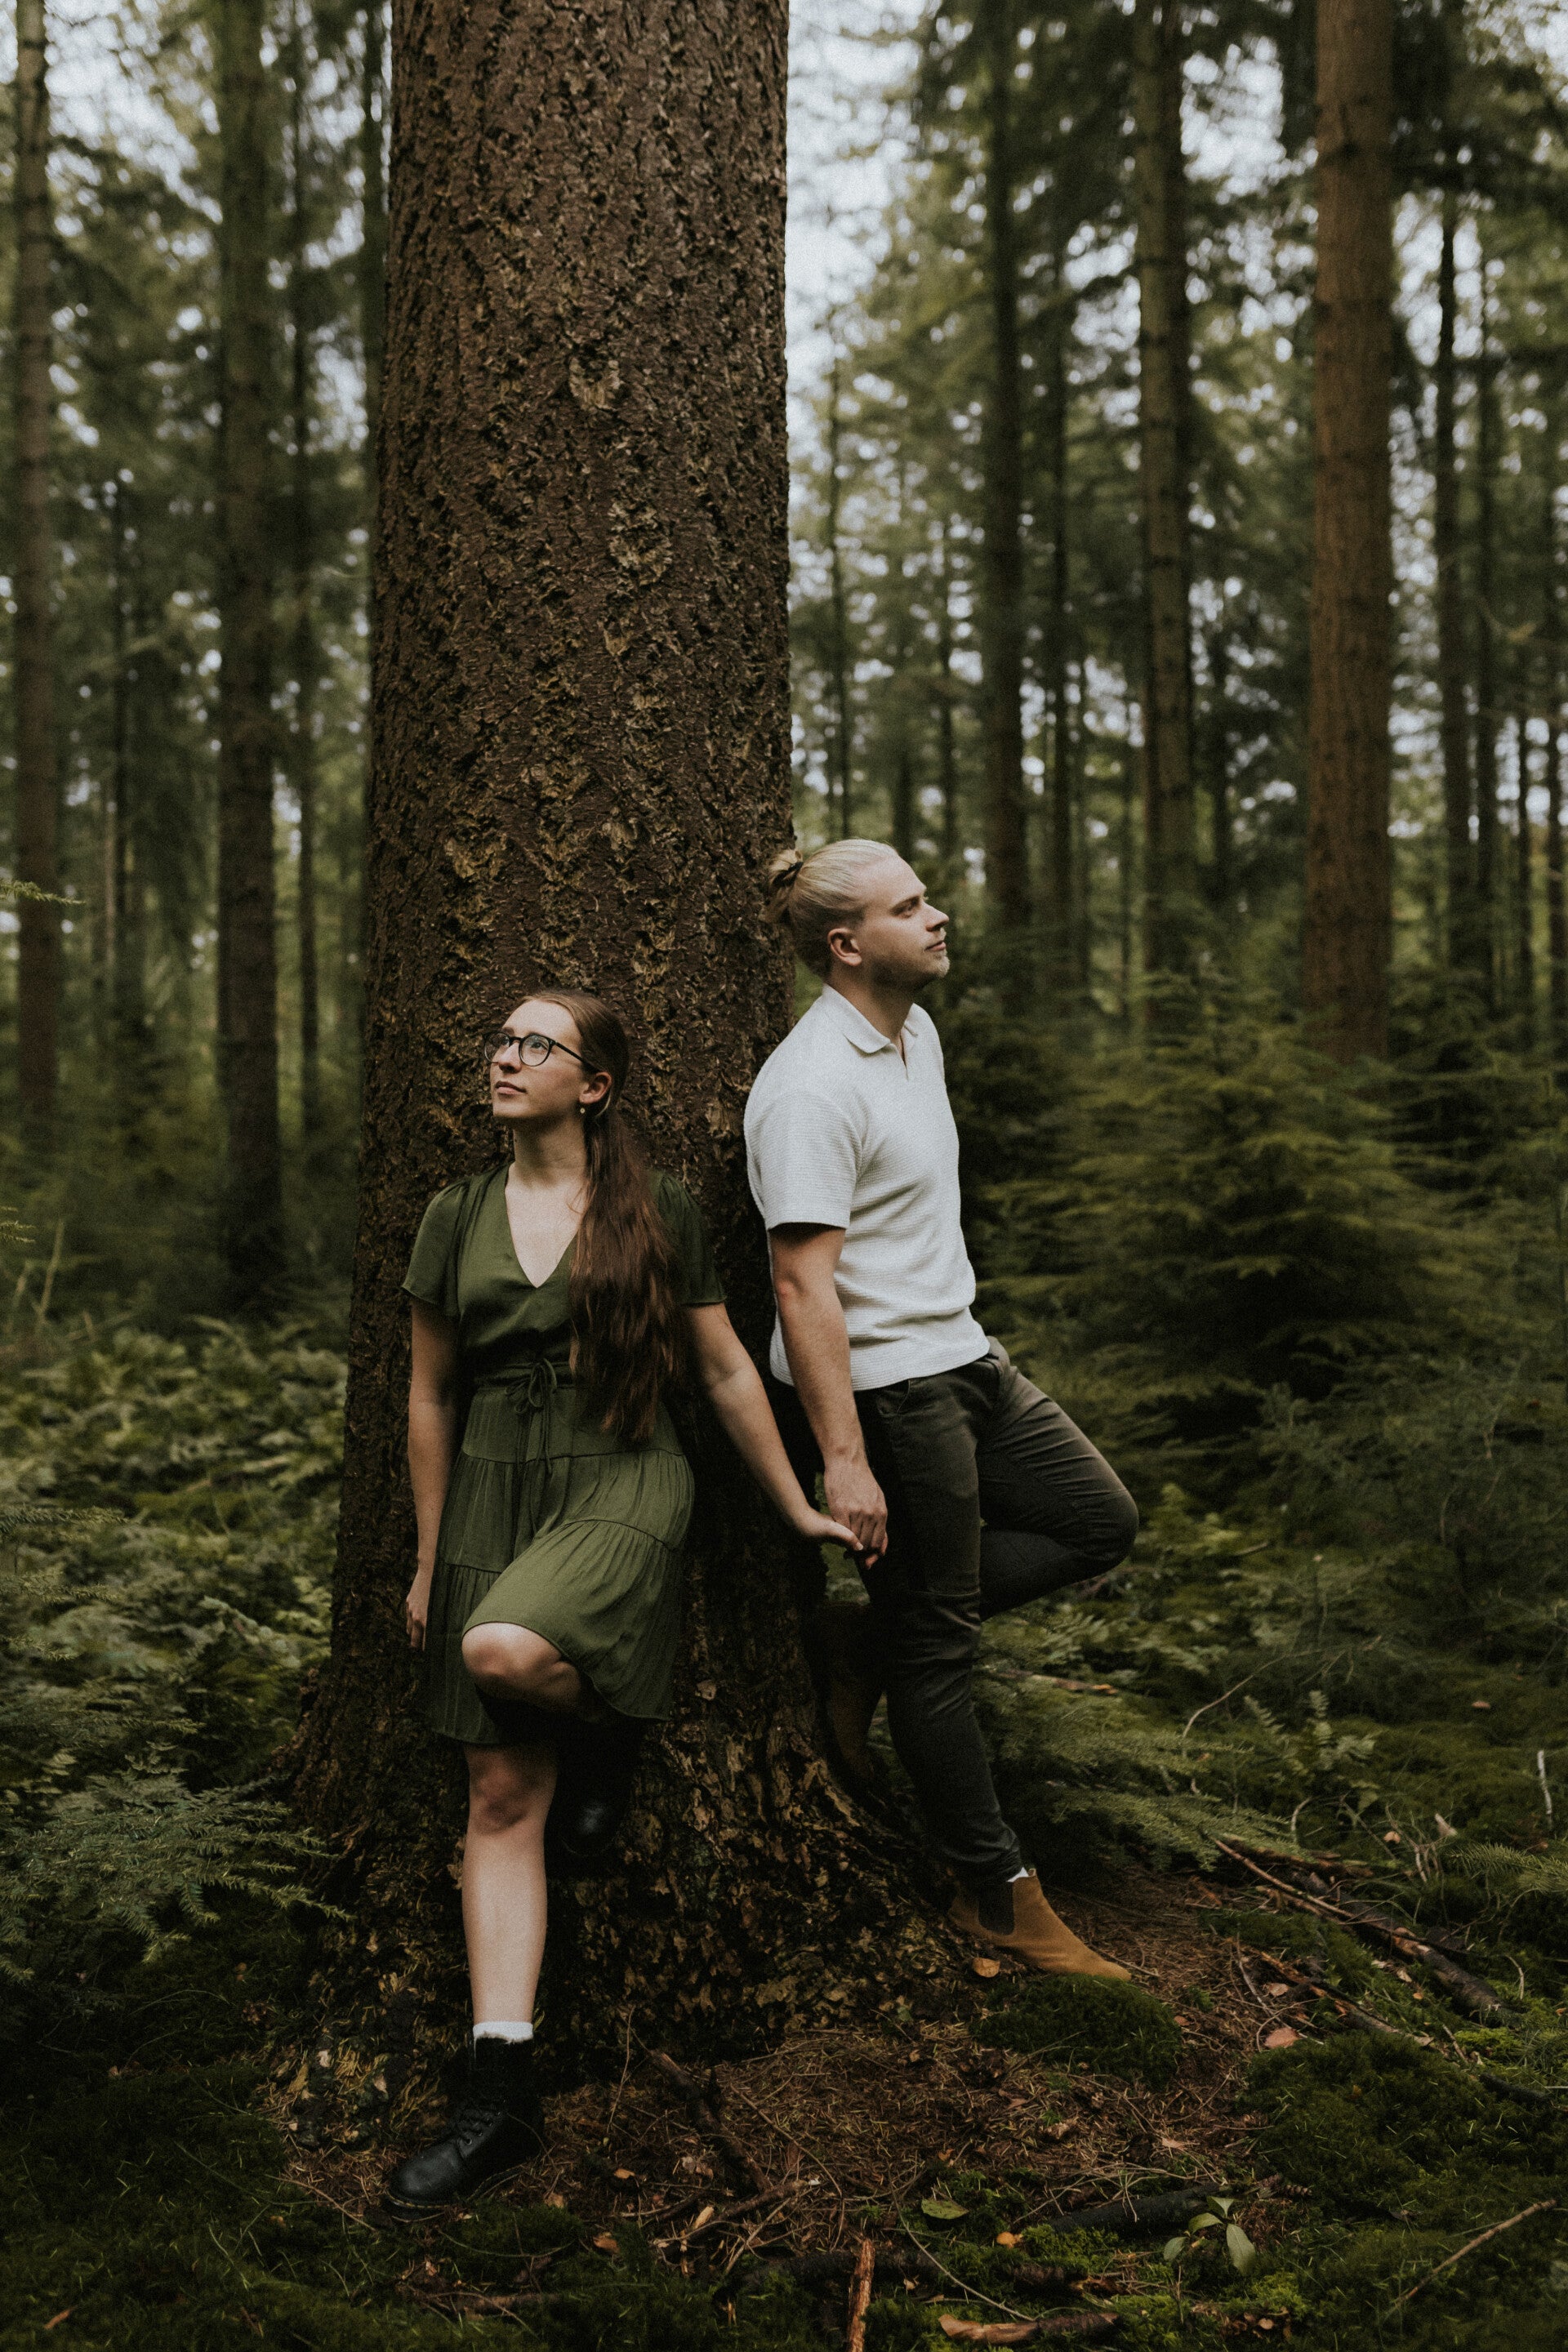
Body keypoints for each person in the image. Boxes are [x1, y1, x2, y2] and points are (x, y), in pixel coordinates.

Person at [386, 988, 855, 2213]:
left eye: (534, 1045)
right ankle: (501, 2092)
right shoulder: (454, 1215)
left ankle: (607, 1730)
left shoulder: (656, 1209)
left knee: (503, 1650)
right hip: (490, 1489)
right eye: (499, 1040)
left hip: (622, 1470)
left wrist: (798, 1500)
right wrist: (429, 1558)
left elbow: (722, 1368)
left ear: (592, 1085)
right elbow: (430, 1395)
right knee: (499, 1796)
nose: (504, 1057)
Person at [745, 840, 1139, 1980]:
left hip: (966, 1355)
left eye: (928, 897)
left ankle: (863, 1636)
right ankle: (996, 1893)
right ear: (846, 944)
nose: (938, 915)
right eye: (909, 905)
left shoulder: (915, 1033)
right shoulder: (809, 1087)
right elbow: (799, 1286)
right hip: (888, 1390)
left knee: (1097, 1521)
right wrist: (844, 1459)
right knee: (941, 1648)